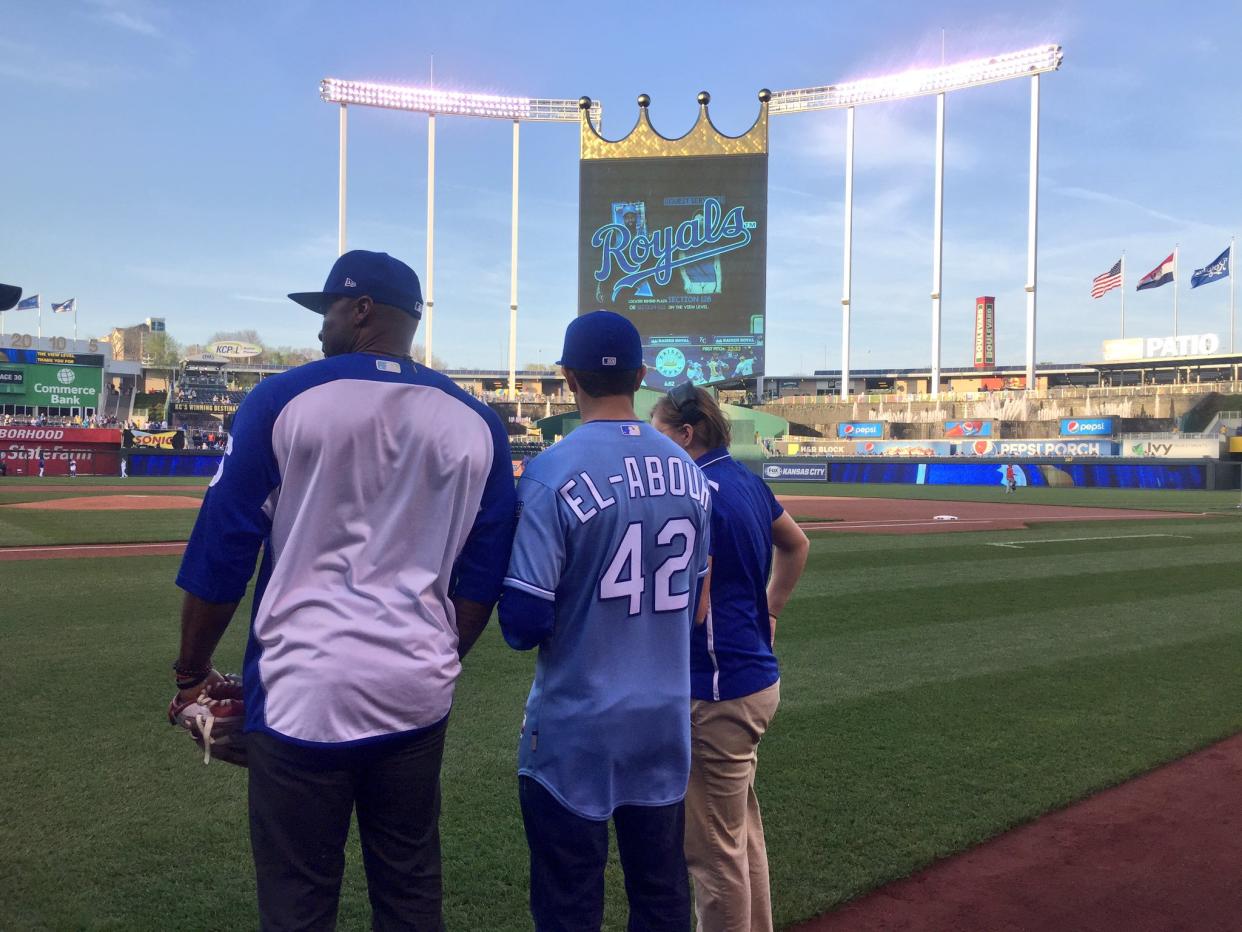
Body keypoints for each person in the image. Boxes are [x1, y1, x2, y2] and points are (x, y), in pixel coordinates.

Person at [170, 250, 516, 930]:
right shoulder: (478, 422)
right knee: (410, 891)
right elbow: (482, 573)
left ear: (361, 311)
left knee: (299, 899)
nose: (320, 328)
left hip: (303, 692)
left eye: (327, 310)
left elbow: (222, 555)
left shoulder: (284, 397)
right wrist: (440, 655)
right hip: (417, 690)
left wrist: (190, 674)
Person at [499, 310, 712, 931]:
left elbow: (521, 624)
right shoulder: (691, 475)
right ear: (643, 376)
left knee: (569, 903)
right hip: (664, 724)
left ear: (568, 377)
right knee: (661, 896)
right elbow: (697, 601)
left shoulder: (551, 470)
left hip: (577, 727)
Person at [651, 384, 810, 932]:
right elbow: (797, 544)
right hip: (753, 680)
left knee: (714, 856)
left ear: (686, 434)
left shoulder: (695, 492)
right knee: (740, 834)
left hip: (718, 690)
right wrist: (772, 610)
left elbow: (694, 609)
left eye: (660, 431)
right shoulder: (744, 480)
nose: (654, 442)